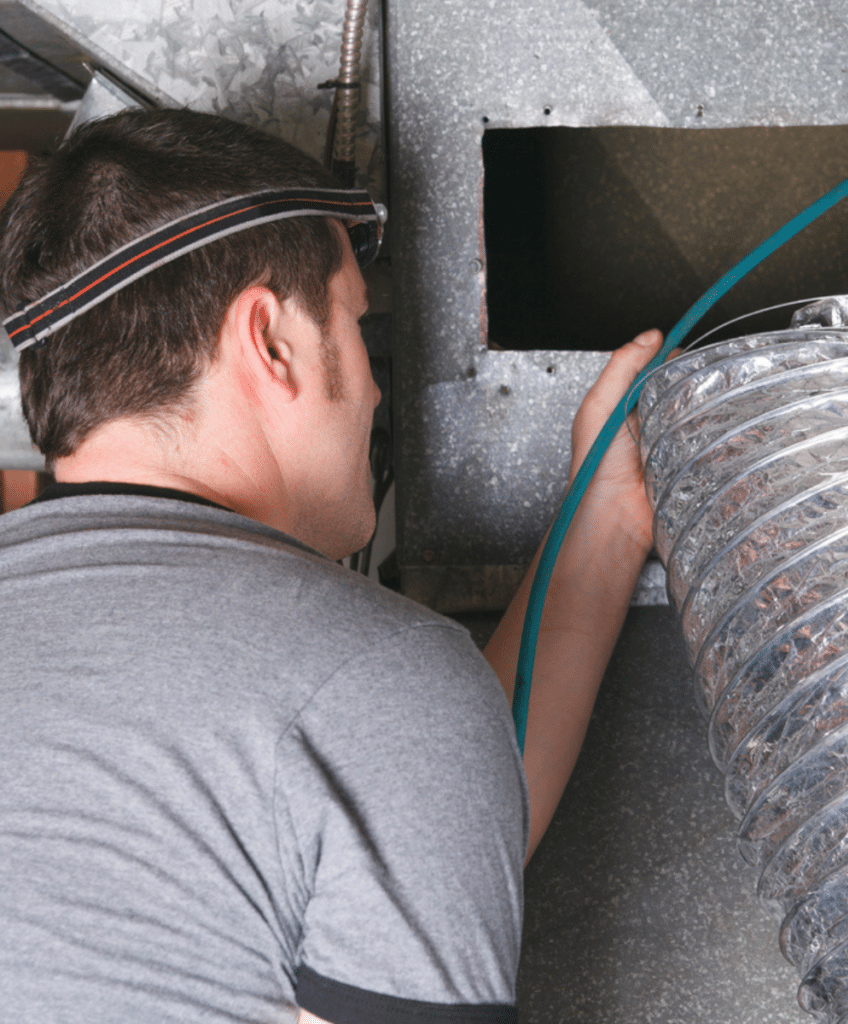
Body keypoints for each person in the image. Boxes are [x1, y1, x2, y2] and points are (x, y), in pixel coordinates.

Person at [0, 108, 660, 1024]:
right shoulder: (376, 689)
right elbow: (374, 751)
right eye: (354, 320)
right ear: (269, 342)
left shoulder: (369, 708)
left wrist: (611, 520)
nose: (377, 385)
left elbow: (410, 837)